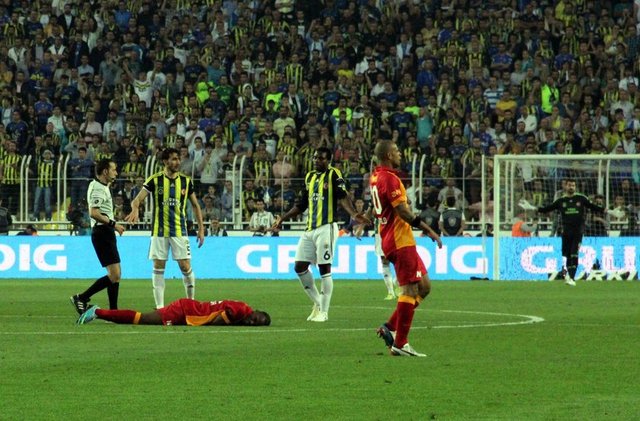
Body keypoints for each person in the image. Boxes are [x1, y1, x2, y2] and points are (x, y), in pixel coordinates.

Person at [272, 147, 370, 322]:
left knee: (324, 269)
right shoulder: (309, 177)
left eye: (321, 158)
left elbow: (342, 196)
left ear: (328, 160)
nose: (317, 161)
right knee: (299, 266)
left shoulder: (334, 174)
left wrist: (354, 214)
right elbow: (301, 205)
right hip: (309, 229)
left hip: (327, 228)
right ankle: (318, 303)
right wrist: (282, 219)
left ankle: (324, 312)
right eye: (316, 158)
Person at [371, 140, 442, 357]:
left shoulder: (376, 177)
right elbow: (403, 211)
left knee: (424, 287)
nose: (400, 154)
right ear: (388, 155)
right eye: (396, 151)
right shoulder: (389, 178)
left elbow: (382, 206)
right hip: (399, 240)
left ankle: (390, 327)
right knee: (409, 291)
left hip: (396, 238)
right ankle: (400, 343)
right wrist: (428, 229)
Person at [125, 147, 205, 309]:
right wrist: (135, 209)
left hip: (179, 231)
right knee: (158, 266)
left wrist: (201, 228)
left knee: (185, 266)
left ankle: (191, 303)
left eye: (178, 159)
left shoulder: (186, 181)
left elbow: (196, 205)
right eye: (174, 159)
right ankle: (160, 308)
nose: (177, 162)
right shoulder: (155, 180)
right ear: (165, 161)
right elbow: (137, 199)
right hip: (159, 231)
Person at [70, 159, 126, 314]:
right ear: (105, 171)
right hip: (102, 232)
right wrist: (114, 224)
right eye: (113, 169)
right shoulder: (98, 188)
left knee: (115, 274)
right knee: (115, 274)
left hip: (105, 232)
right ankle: (81, 297)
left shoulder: (101, 186)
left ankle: (113, 311)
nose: (116, 173)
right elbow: (94, 213)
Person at [537, 178, 605, 286]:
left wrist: (608, 211)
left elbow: (593, 207)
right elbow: (547, 209)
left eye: (573, 185)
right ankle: (570, 276)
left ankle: (572, 278)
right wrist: (532, 208)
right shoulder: (561, 201)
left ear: (575, 187)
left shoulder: (581, 198)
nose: (571, 187)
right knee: (567, 254)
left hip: (578, 231)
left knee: (574, 253)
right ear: (565, 186)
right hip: (566, 232)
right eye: (569, 185)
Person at [77, 298, 270, 327]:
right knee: (141, 319)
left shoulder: (243, 309)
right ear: (255, 311)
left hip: (187, 310)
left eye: (255, 324)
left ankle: (99, 312)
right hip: (184, 311)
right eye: (255, 319)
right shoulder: (241, 310)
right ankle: (98, 311)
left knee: (142, 318)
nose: (251, 322)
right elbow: (219, 319)